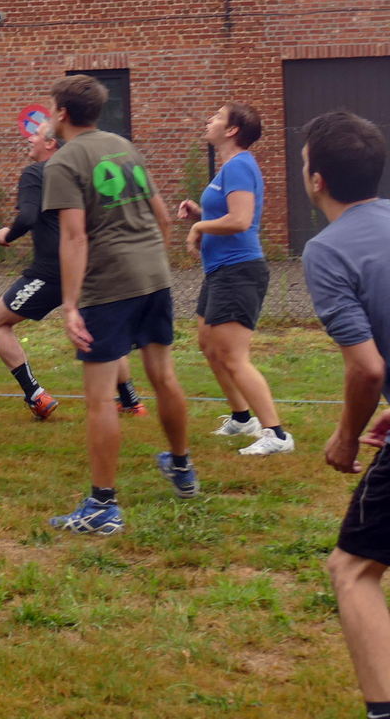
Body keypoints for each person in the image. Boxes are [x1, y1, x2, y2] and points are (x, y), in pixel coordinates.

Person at [41, 74, 193, 535]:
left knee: (100, 398)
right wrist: (153, 261)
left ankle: (102, 507)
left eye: (50, 107)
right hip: (153, 275)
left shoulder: (64, 162)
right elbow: (162, 216)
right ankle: (183, 468)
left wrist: (70, 305)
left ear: (62, 113)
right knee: (164, 377)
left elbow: (74, 237)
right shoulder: (124, 147)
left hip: (109, 285)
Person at [299, 110, 390, 719]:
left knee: (353, 569)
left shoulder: (327, 251)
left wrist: (345, 436)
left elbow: (366, 369)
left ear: (317, 180)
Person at [0, 120, 147, 420]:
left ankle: (36, 396)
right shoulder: (79, 172)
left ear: (50, 143)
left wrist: (7, 234)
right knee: (100, 333)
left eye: (35, 135)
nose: (29, 139)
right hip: (91, 265)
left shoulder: (36, 172)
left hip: (53, 272)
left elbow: (28, 216)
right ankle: (131, 401)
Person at [175, 102, 292, 455]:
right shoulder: (229, 167)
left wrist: (199, 226)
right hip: (220, 271)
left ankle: (276, 435)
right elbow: (230, 214)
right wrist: (200, 213)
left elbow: (241, 220)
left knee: (233, 355)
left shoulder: (239, 165)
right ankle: (242, 418)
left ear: (232, 130)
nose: (209, 120)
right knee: (209, 345)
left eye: (217, 117)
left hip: (239, 271)